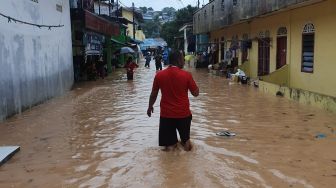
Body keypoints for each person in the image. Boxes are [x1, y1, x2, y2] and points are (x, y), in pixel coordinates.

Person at [147, 50, 199, 151]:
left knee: (169, 147)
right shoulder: (187, 75)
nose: (184, 61)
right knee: (186, 142)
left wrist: (150, 107)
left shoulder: (159, 75)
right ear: (179, 60)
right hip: (183, 114)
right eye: (183, 59)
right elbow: (196, 93)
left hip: (166, 115)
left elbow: (153, 94)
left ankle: (170, 164)